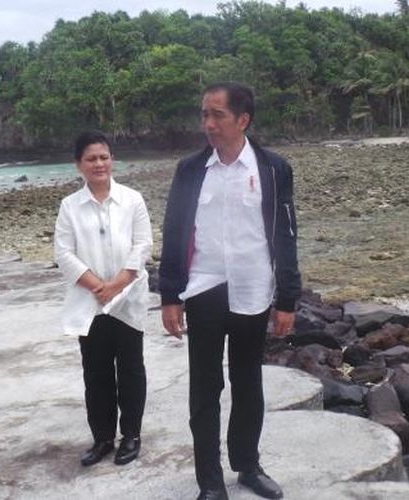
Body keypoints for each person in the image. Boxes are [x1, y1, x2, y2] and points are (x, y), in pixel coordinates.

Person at [159, 82, 302, 500]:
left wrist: (288, 298)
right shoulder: (190, 170)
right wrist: (170, 296)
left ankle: (248, 465)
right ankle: (210, 482)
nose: (208, 123)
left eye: (217, 115)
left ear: (243, 120)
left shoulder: (274, 169)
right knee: (204, 389)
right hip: (203, 289)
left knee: (247, 382)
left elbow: (287, 235)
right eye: (204, 114)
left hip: (253, 288)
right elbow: (173, 233)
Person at [54, 130, 152, 467]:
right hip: (90, 303)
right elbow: (64, 254)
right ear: (78, 164)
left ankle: (132, 436)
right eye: (91, 158)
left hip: (129, 299)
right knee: (95, 374)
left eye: (104, 157)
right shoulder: (70, 206)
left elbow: (143, 245)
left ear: (112, 160)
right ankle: (102, 440)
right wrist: (99, 286)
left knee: (131, 370)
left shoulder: (132, 199)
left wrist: (119, 283)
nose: (99, 164)